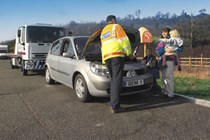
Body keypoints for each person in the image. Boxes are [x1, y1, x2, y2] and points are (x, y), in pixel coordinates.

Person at [100, 15, 132, 113]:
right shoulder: (116, 26)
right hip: (116, 56)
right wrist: (129, 53)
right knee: (117, 81)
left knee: (113, 80)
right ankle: (115, 106)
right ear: (113, 20)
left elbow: (102, 46)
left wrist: (103, 59)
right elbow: (124, 40)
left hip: (107, 57)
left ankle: (113, 103)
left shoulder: (103, 31)